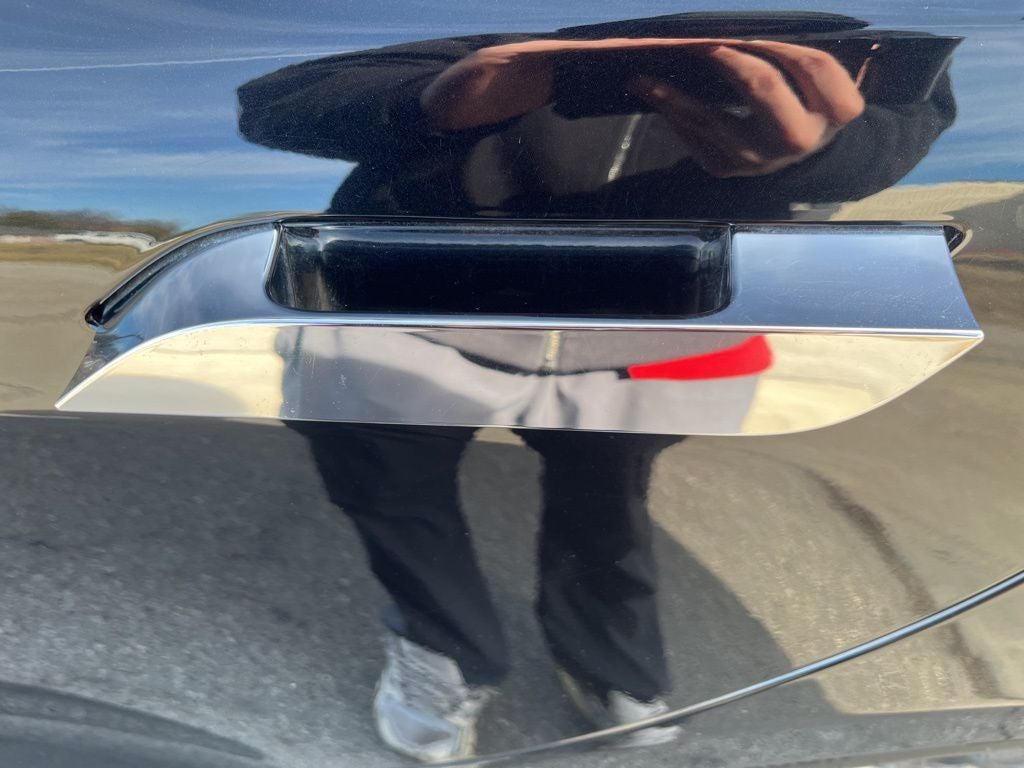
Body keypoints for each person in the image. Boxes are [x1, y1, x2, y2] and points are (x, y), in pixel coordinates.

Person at [238, 13, 956, 761]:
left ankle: (608, 664)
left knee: (608, 511)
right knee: (389, 493)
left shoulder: (838, 19)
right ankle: (444, 646)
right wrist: (432, 102)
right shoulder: (454, 21)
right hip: (407, 305)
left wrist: (824, 153)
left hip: (654, 320)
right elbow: (274, 98)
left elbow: (914, 114)